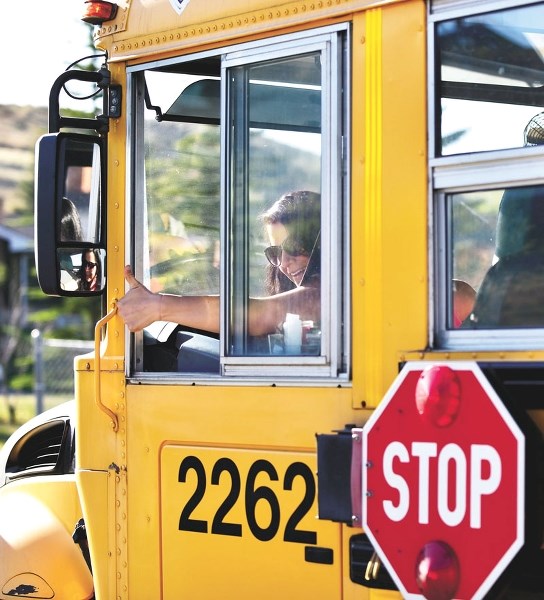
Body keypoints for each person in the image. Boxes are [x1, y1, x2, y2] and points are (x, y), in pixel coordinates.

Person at [117, 190, 321, 335]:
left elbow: (261, 315)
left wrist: (158, 307)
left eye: (295, 245)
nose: (284, 263)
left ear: (320, 242)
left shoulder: (331, 293)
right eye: (276, 252)